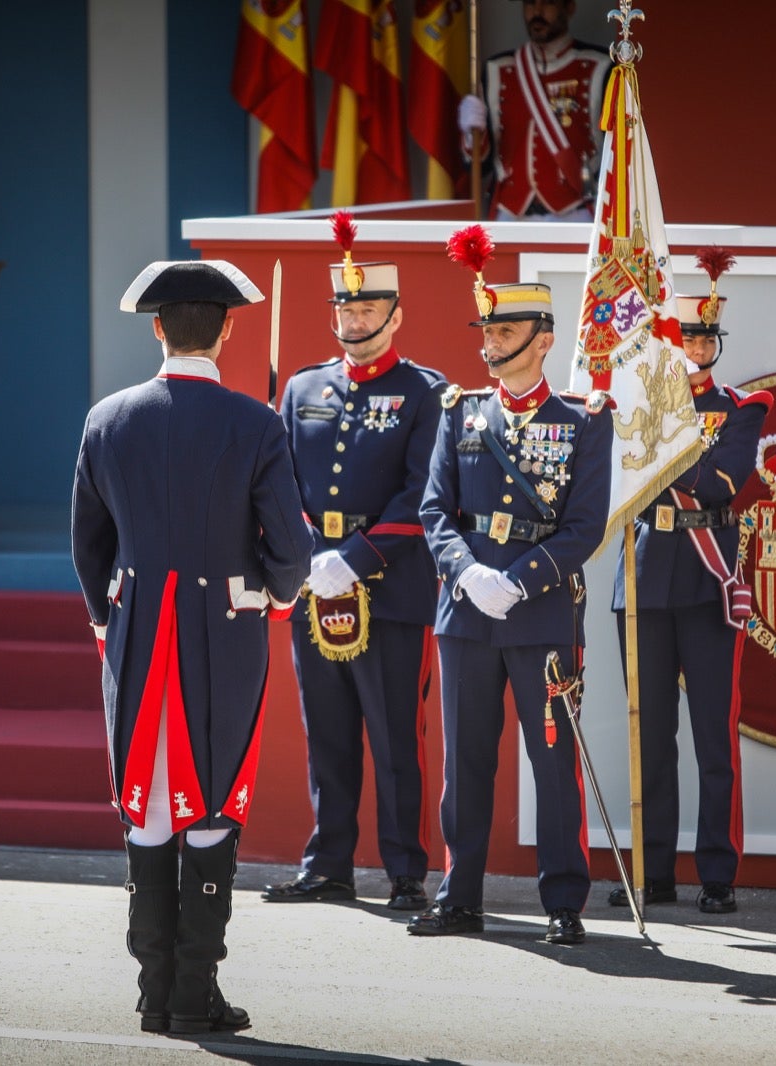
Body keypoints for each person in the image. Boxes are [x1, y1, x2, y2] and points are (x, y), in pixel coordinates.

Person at [71, 260, 313, 1036]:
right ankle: (193, 993)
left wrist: (108, 618)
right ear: (228, 328)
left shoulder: (106, 419)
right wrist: (272, 593)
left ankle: (152, 991)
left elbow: (88, 545)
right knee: (211, 805)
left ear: (156, 329)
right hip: (224, 637)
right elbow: (292, 554)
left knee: (147, 803)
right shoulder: (256, 423)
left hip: (139, 634)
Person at [409, 225, 611, 945]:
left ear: (544, 338)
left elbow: (586, 527)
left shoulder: (585, 421)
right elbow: (434, 509)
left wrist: (518, 582)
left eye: (508, 329)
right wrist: (468, 574)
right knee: (463, 763)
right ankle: (458, 896)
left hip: (542, 609)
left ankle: (563, 900)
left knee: (552, 759)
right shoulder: (460, 411)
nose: (491, 342)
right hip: (466, 611)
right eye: (488, 329)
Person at [261, 214, 447, 912]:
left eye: (368, 305)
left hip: (390, 588)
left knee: (397, 735)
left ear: (395, 315)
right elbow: (279, 485)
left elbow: (423, 490)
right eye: (346, 304)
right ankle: (328, 862)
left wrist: (359, 555)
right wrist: (309, 554)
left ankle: (405, 871)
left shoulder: (423, 391)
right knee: (328, 733)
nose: (355, 315)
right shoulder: (302, 388)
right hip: (316, 587)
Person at [607, 251, 771, 915]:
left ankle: (717, 874)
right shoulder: (635, 408)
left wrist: (657, 437)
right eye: (687, 338)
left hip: (708, 577)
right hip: (643, 579)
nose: (698, 348)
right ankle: (651, 873)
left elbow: (721, 482)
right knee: (649, 735)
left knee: (712, 734)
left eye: (706, 339)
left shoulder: (742, 407)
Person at [457, 0, 610, 221]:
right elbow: (480, 165)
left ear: (569, 7)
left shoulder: (599, 66)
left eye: (547, 2)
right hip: (510, 214)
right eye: (529, 3)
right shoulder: (497, 69)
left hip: (576, 213)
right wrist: (472, 134)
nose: (536, 12)